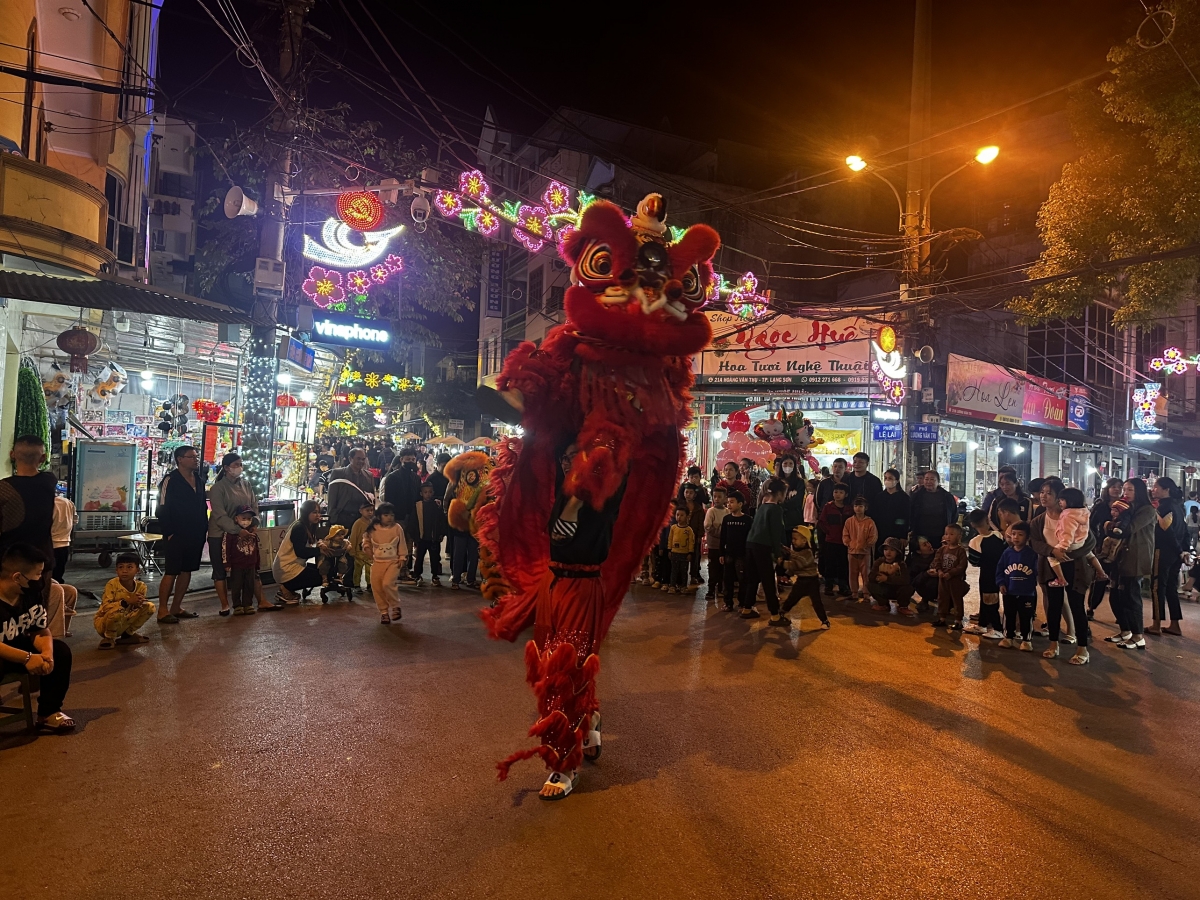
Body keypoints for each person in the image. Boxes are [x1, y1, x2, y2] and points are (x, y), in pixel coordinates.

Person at [0, 543, 74, 731]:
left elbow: (40, 630)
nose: (41, 579)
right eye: (37, 574)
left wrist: (46, 654)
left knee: (61, 651)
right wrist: (27, 658)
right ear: (17, 577)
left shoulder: (30, 594)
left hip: (15, 647)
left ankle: (48, 713)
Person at [1030, 477, 1094, 664]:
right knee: (1053, 606)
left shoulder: (1073, 515)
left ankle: (1082, 649)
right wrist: (1052, 551)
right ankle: (1053, 645)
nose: (1044, 496)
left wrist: (1070, 555)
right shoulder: (1039, 520)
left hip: (1074, 565)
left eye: (1049, 493)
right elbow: (1035, 542)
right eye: (1042, 492)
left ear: (1059, 497)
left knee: (1077, 607)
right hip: (1051, 566)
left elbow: (1090, 540)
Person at [207, 452, 273, 615]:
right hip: (221, 534)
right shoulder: (218, 488)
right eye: (236, 465)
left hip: (246, 533)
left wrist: (254, 524)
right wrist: (237, 530)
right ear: (227, 468)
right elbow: (219, 515)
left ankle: (258, 601)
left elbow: (254, 505)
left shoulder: (246, 484)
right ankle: (225, 604)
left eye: (240, 464)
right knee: (221, 569)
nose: (239, 468)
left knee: (249, 567)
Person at [0, 435, 58, 600]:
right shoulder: (48, 481)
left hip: (9, 564)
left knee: (9, 614)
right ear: (43, 458)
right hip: (41, 561)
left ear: (12, 455)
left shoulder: (3, 489)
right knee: (38, 613)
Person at [156, 445, 209, 624]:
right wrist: (169, 532)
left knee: (187, 570)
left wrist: (204, 529)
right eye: (191, 457)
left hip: (196, 533)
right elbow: (162, 507)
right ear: (180, 459)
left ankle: (176, 606)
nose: (196, 459)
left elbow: (202, 506)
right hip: (176, 534)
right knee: (171, 571)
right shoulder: (170, 480)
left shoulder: (199, 480)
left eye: (196, 456)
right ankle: (162, 610)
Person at [1104, 479, 1156, 650]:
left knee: (1131, 596)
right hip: (1119, 556)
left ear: (1139, 492)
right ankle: (1125, 630)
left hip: (1135, 557)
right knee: (1116, 595)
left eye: (1130, 490)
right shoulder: (1126, 508)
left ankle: (1138, 635)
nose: (1125, 492)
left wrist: (1110, 527)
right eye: (1125, 489)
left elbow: (1128, 529)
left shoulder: (1147, 510)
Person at [739, 479, 788, 625]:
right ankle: (775, 615)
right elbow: (775, 533)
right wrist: (778, 553)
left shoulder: (762, 507)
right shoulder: (776, 509)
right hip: (763, 547)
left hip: (751, 544)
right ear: (780, 493)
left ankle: (747, 609)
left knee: (753, 578)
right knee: (768, 581)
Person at [1148, 476, 1187, 637]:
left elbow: (1167, 533)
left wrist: (1179, 550)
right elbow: (1183, 532)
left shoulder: (1164, 508)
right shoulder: (1177, 507)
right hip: (1176, 554)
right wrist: (1183, 551)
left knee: (1158, 587)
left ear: (1166, 490)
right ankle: (1174, 624)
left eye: (1156, 487)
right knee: (1171, 588)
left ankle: (1156, 624)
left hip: (1163, 552)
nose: (1153, 489)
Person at [93, 552, 156, 648]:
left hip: (125, 620)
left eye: (129, 567)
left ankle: (128, 635)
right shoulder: (112, 584)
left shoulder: (141, 586)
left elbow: (137, 607)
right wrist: (126, 602)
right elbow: (105, 608)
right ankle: (109, 638)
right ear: (116, 570)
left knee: (150, 607)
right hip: (105, 623)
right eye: (121, 567)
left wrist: (138, 603)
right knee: (117, 612)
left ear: (137, 570)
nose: (124, 571)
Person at [1048, 488, 1108, 587]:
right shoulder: (1083, 512)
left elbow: (1067, 532)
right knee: (1089, 554)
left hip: (1071, 543)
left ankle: (1061, 579)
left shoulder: (1068, 515)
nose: (1060, 502)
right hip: (1081, 541)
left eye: (1062, 500)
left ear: (1070, 501)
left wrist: (1063, 546)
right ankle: (1101, 573)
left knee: (1051, 556)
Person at [271, 500, 326, 604]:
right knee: (322, 575)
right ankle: (285, 588)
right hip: (286, 570)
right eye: (314, 512)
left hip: (291, 566)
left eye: (319, 512)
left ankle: (287, 588)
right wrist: (319, 551)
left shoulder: (304, 525)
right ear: (306, 513)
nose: (318, 515)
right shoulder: (300, 527)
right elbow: (301, 552)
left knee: (321, 569)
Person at [996, 521, 1038, 650]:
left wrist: (1032, 585)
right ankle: (1008, 637)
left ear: (1027, 537)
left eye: (1020, 534)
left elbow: (1037, 572)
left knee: (1026, 616)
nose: (1016, 537)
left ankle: (1026, 640)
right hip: (1009, 591)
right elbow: (1000, 570)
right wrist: (1001, 583)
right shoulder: (1007, 553)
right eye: (1013, 534)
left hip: (1027, 593)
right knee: (1009, 614)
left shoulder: (1032, 554)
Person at [1087, 478, 1125, 618]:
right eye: (1113, 486)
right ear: (1107, 489)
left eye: (1119, 487)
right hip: (1102, 547)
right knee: (1100, 579)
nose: (1116, 489)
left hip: (1120, 548)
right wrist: (1095, 542)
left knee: (1118, 582)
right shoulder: (1100, 506)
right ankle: (1091, 608)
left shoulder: (1126, 507)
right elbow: (1090, 525)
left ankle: (1120, 615)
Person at [363, 502, 406, 625]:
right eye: (386, 515)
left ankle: (395, 606)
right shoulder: (373, 528)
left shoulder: (397, 528)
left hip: (393, 562)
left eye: (392, 515)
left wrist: (402, 557)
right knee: (377, 586)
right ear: (379, 516)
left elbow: (402, 543)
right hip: (377, 562)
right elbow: (366, 538)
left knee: (387, 583)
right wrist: (366, 546)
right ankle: (384, 612)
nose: (389, 518)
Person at [965, 508, 1006, 639]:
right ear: (987, 520)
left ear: (972, 524)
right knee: (988, 600)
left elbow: (974, 562)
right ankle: (982, 624)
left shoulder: (975, 541)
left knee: (989, 601)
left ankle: (997, 628)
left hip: (987, 574)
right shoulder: (998, 535)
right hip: (1000, 571)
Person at [781, 525, 829, 628]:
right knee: (792, 598)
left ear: (804, 540)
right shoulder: (797, 552)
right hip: (801, 581)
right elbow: (794, 565)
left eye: (795, 539)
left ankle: (824, 621)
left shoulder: (808, 552)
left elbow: (797, 564)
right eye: (792, 539)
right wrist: (787, 574)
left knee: (817, 602)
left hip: (812, 581)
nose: (793, 541)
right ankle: (782, 611)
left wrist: (781, 562)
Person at [222, 507, 261, 616]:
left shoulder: (253, 532)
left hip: (251, 565)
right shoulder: (231, 533)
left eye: (249, 518)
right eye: (243, 518)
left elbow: (256, 549)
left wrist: (257, 563)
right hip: (237, 565)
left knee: (249, 585)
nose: (246, 521)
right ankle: (237, 605)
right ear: (236, 518)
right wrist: (227, 563)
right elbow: (225, 548)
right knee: (236, 585)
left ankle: (248, 604)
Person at [930, 523, 969, 632]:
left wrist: (951, 573)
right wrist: (939, 571)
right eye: (946, 534)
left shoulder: (960, 551)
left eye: (951, 534)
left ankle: (958, 620)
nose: (948, 537)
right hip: (943, 579)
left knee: (956, 599)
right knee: (942, 598)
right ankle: (942, 618)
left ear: (959, 537)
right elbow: (936, 561)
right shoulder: (942, 550)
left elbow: (962, 565)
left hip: (955, 580)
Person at [817, 482, 854, 596]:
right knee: (830, 564)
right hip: (831, 541)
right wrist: (829, 532)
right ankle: (829, 585)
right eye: (835, 492)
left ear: (846, 495)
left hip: (845, 542)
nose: (838, 495)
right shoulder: (828, 507)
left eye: (841, 492)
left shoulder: (849, 509)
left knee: (843, 564)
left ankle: (843, 586)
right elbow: (822, 522)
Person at [718, 490, 751, 611]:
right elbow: (723, 537)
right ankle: (728, 603)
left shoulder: (747, 520)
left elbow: (749, 538)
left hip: (742, 555)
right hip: (729, 554)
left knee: (743, 580)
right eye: (728, 502)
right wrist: (721, 553)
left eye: (732, 502)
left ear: (740, 504)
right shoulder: (726, 519)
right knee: (727, 579)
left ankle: (742, 603)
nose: (729, 505)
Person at [409, 482, 448, 585]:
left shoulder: (436, 506)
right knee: (419, 558)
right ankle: (417, 575)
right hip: (421, 539)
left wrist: (441, 534)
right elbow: (413, 523)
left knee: (435, 558)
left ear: (433, 492)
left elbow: (441, 521)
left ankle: (435, 576)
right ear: (421, 493)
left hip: (434, 539)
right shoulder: (417, 506)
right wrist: (415, 537)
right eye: (425, 492)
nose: (428, 494)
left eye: (430, 492)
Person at [909, 470, 957, 553]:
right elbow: (910, 513)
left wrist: (948, 533)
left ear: (938, 481)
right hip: (921, 534)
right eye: (926, 479)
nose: (928, 482)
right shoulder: (916, 496)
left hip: (940, 535)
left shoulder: (947, 497)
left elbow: (954, 515)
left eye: (932, 479)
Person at [843, 496, 877, 601]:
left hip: (865, 553)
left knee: (865, 573)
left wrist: (867, 545)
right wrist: (849, 544)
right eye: (856, 506)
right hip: (852, 552)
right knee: (852, 573)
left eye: (860, 506)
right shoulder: (849, 521)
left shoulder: (870, 522)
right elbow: (845, 535)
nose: (858, 508)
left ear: (865, 508)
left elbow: (873, 536)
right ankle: (854, 592)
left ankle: (866, 593)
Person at [868, 537, 911, 616]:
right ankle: (883, 604)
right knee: (870, 585)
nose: (888, 552)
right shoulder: (879, 561)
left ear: (897, 552)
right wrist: (879, 576)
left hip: (896, 589)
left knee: (908, 588)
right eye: (886, 549)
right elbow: (871, 576)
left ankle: (903, 606)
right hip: (884, 588)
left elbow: (906, 579)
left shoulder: (901, 564)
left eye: (892, 550)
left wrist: (888, 578)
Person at [872, 468, 910, 553]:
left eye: (890, 478)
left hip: (897, 533)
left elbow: (906, 517)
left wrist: (903, 535)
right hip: (881, 532)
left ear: (897, 480)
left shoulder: (904, 498)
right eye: (885, 478)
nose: (887, 480)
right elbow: (875, 514)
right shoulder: (879, 497)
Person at [982, 468, 1029, 532]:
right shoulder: (996, 501)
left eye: (1008, 484)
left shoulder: (1025, 501)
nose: (1004, 487)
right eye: (1002, 484)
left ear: (1016, 484)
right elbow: (990, 519)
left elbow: (1029, 520)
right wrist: (999, 532)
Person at [703, 486, 729, 601]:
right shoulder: (711, 511)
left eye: (719, 497)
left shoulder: (727, 512)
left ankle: (721, 589)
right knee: (713, 568)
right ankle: (711, 589)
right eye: (715, 496)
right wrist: (722, 532)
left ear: (725, 499)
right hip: (714, 545)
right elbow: (708, 526)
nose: (716, 499)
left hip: (724, 546)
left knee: (723, 569)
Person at [681, 483, 707, 586]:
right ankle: (682, 577)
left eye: (691, 493)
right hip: (682, 535)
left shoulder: (698, 508)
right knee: (682, 556)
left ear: (695, 495)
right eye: (686, 492)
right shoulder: (681, 506)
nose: (688, 494)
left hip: (695, 535)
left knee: (695, 557)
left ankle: (693, 576)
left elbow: (701, 523)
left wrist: (700, 535)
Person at [349, 500, 376, 595]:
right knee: (358, 569)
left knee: (370, 569)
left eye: (371, 510)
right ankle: (356, 584)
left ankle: (369, 584)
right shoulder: (358, 523)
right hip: (359, 552)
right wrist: (352, 550)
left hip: (369, 551)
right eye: (367, 510)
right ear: (361, 511)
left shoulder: (372, 523)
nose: (370, 512)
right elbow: (353, 537)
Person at [667, 505, 695, 594]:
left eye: (682, 515)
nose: (679, 517)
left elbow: (691, 541)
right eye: (677, 515)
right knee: (674, 571)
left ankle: (683, 586)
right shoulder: (673, 528)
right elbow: (670, 539)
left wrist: (690, 552)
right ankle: (672, 586)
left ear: (687, 516)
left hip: (684, 554)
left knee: (684, 571)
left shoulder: (689, 530)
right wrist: (669, 549)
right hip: (675, 552)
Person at [51, 488, 76, 583]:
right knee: (59, 571)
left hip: (49, 543)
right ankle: (59, 592)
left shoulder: (46, 504)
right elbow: (75, 521)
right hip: (65, 542)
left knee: (48, 574)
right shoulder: (68, 502)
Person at [909, 536, 938, 612]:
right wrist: (926, 574)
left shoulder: (939, 554)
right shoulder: (914, 562)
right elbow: (913, 581)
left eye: (928, 542)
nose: (929, 545)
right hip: (926, 586)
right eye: (925, 545)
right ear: (918, 551)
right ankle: (925, 600)